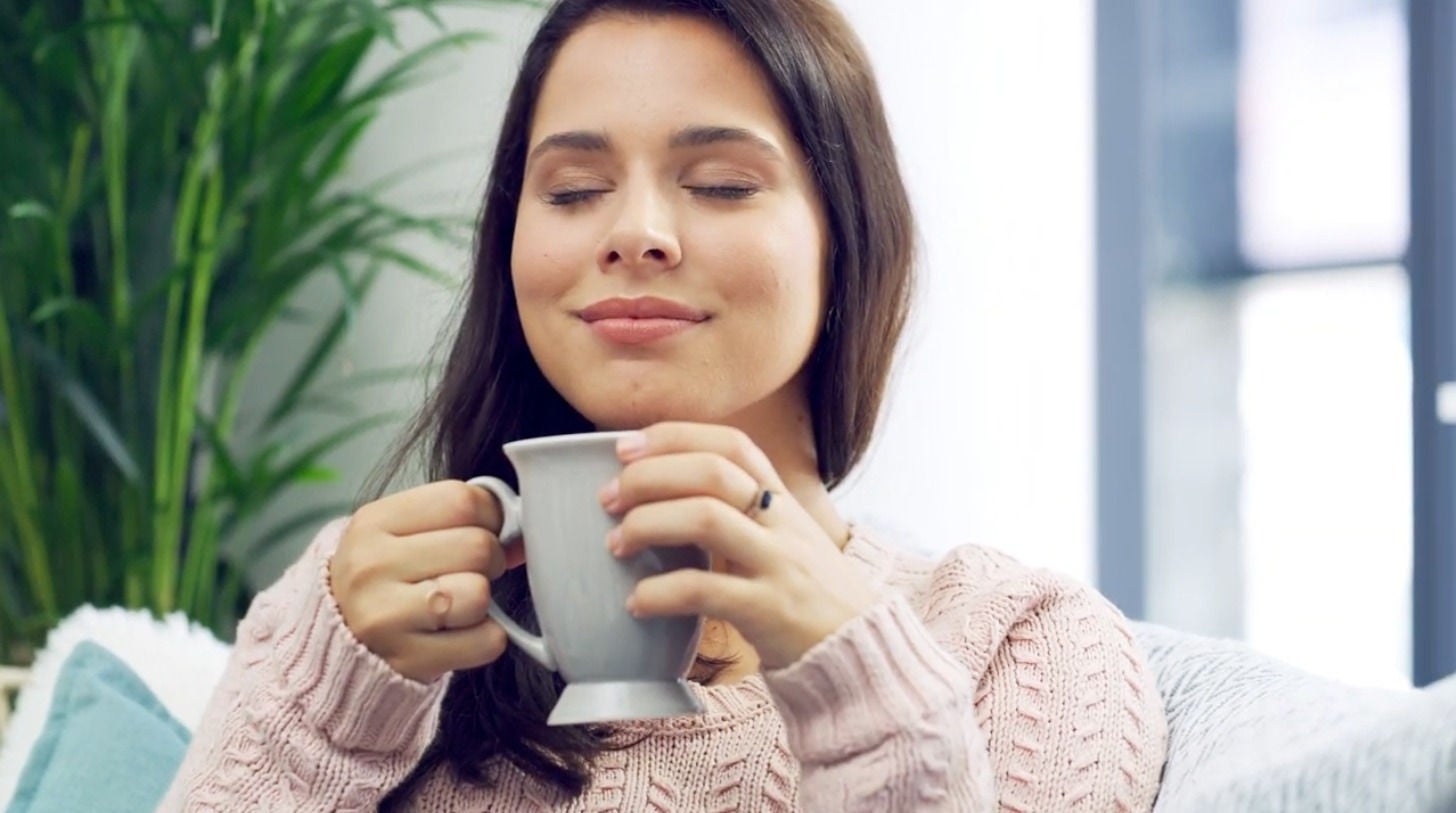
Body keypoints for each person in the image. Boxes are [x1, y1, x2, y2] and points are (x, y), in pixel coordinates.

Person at [160, 0, 1169, 809]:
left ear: (846, 242)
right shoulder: (360, 611)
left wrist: (864, 692)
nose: (635, 233)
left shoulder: (1021, 647)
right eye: (570, 191)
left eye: (723, 184)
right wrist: (326, 713)